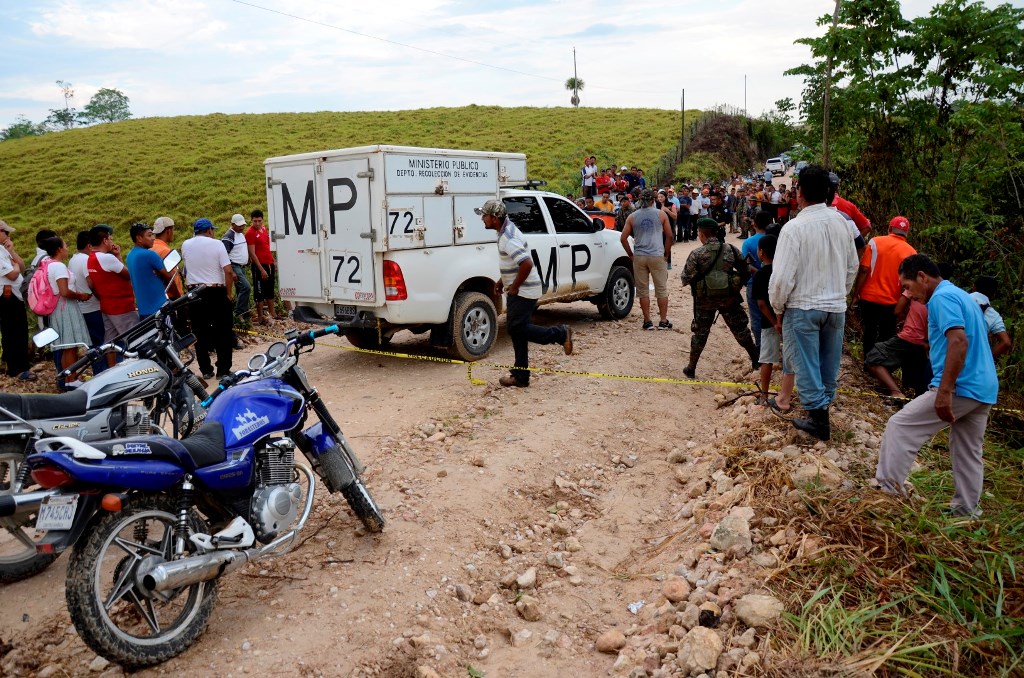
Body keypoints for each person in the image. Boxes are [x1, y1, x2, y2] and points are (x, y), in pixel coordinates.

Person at [875, 254, 998, 518]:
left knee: (900, 426)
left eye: (907, 286)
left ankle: (887, 496)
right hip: (984, 388)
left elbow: (959, 341)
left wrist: (944, 391)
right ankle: (966, 510)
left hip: (961, 386)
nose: (908, 294)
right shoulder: (962, 295)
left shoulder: (942, 298)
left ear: (922, 276)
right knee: (967, 450)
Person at [769, 164, 859, 441]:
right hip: (835, 307)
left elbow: (781, 278)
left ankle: (819, 421)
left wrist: (778, 308)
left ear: (799, 191)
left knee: (805, 363)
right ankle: (823, 408)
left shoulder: (794, 228)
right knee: (829, 363)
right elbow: (852, 266)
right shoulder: (843, 223)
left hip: (803, 306)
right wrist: (840, 294)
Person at [476, 200, 571, 387]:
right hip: (524, 288)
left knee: (515, 328)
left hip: (524, 290)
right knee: (518, 330)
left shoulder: (507, 237)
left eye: (484, 215)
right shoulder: (506, 230)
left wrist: (514, 287)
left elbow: (526, 264)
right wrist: (502, 281)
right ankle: (520, 376)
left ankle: (560, 334)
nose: (482, 219)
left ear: (495, 218)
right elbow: (514, 263)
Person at [680, 217, 760, 378]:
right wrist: (734, 285)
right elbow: (746, 271)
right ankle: (755, 360)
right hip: (729, 299)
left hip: (704, 301)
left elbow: (686, 278)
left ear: (702, 234)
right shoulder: (730, 249)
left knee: (700, 334)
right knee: (740, 330)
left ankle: (691, 368)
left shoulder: (697, 254)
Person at [851, 216, 917, 357]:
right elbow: (908, 285)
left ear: (890, 228)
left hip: (869, 298)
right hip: (892, 302)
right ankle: (880, 364)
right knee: (886, 335)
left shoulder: (875, 242)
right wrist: (905, 307)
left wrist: (856, 294)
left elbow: (864, 269)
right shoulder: (911, 252)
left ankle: (867, 363)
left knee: (869, 331)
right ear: (907, 233)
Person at [182, 218, 236, 379]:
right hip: (215, 291)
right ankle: (223, 370)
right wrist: (228, 293)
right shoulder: (217, 244)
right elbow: (228, 270)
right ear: (209, 230)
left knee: (199, 332)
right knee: (223, 331)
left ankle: (206, 369)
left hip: (194, 293)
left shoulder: (185, 244)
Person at [38, 237, 92, 386]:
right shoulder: (59, 267)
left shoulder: (48, 264)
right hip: (66, 307)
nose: (67, 248)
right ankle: (72, 380)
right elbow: (64, 291)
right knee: (70, 346)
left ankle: (68, 379)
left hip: (57, 308)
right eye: (65, 246)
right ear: (59, 249)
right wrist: (80, 296)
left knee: (66, 346)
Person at [751, 235, 796, 411]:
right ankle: (788, 393)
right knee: (790, 359)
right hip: (788, 320)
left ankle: (764, 394)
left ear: (761, 252)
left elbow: (761, 304)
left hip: (768, 323)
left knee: (767, 359)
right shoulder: (784, 272)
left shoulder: (760, 274)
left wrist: (774, 322)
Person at [621, 189, 673, 330]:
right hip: (656, 255)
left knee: (643, 290)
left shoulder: (632, 216)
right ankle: (663, 321)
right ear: (653, 201)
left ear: (640, 201)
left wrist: (631, 255)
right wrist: (666, 254)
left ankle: (647, 321)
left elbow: (623, 238)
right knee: (661, 289)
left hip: (639, 256)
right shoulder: (661, 214)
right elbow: (669, 236)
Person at [87, 224, 139, 366]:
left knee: (110, 342)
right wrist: (118, 256)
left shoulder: (91, 258)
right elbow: (128, 275)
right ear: (104, 240)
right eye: (110, 238)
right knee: (135, 339)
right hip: (121, 306)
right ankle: (138, 368)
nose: (112, 241)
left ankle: (112, 368)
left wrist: (116, 256)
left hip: (107, 305)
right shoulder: (106, 258)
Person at [865, 290, 931, 397]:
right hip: (926, 343)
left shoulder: (913, 288)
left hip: (909, 336)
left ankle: (896, 392)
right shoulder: (939, 295)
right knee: (917, 377)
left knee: (873, 358)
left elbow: (897, 311)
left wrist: (906, 319)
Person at [68, 230, 106, 375]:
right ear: (89, 245)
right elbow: (91, 283)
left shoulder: (73, 259)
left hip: (82, 308)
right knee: (100, 343)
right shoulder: (86, 260)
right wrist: (103, 298)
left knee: (92, 344)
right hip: (93, 307)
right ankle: (102, 373)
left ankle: (98, 372)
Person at [0, 220, 34, 380]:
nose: (8, 235)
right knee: (13, 332)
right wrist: (14, 267)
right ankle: (16, 368)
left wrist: (12, 252)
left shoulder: (3, 250)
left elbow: (21, 266)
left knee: (19, 331)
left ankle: (19, 365)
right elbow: (13, 274)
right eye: (5, 232)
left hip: (14, 295)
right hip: (7, 296)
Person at [741, 210, 771, 356]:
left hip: (754, 283)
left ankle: (761, 351)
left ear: (754, 224)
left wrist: (759, 273)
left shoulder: (748, 242)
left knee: (757, 318)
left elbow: (746, 265)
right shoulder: (775, 239)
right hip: (774, 282)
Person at [125, 222, 171, 320]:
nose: (153, 238)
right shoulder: (149, 254)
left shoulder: (130, 255)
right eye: (149, 235)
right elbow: (169, 275)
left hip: (143, 310)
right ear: (139, 238)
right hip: (159, 309)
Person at [246, 209, 280, 322]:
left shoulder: (264, 229)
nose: (257, 223)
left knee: (270, 289)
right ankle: (260, 317)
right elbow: (252, 253)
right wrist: (261, 269)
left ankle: (273, 313)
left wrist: (273, 260)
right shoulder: (250, 233)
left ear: (262, 220)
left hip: (269, 263)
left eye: (259, 221)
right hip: (259, 266)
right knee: (259, 291)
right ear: (251, 220)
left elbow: (267, 246)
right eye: (255, 221)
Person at [970, 276, 1012, 359]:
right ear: (994, 294)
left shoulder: (959, 299)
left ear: (974, 287)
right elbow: (1006, 342)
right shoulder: (994, 315)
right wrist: (987, 359)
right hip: (973, 359)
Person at [223, 213, 252, 323]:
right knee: (246, 287)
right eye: (239, 226)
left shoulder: (240, 234)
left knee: (241, 290)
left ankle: (245, 316)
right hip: (234, 266)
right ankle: (239, 313)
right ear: (232, 224)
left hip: (241, 266)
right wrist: (232, 272)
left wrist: (247, 258)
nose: (242, 227)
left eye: (243, 225)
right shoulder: (228, 237)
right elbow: (224, 255)